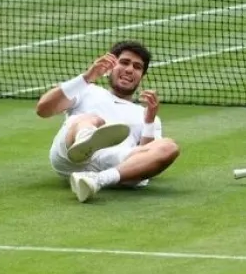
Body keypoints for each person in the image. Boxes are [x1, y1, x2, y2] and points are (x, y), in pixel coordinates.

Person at [35, 41, 180, 203]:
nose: (130, 69)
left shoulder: (146, 115)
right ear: (111, 66)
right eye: (124, 62)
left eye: (137, 67)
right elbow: (43, 109)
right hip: (70, 155)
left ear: (142, 76)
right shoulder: (87, 90)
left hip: (111, 161)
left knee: (169, 146)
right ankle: (84, 142)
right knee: (92, 119)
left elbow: (146, 160)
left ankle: (97, 180)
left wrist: (149, 122)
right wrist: (87, 77)